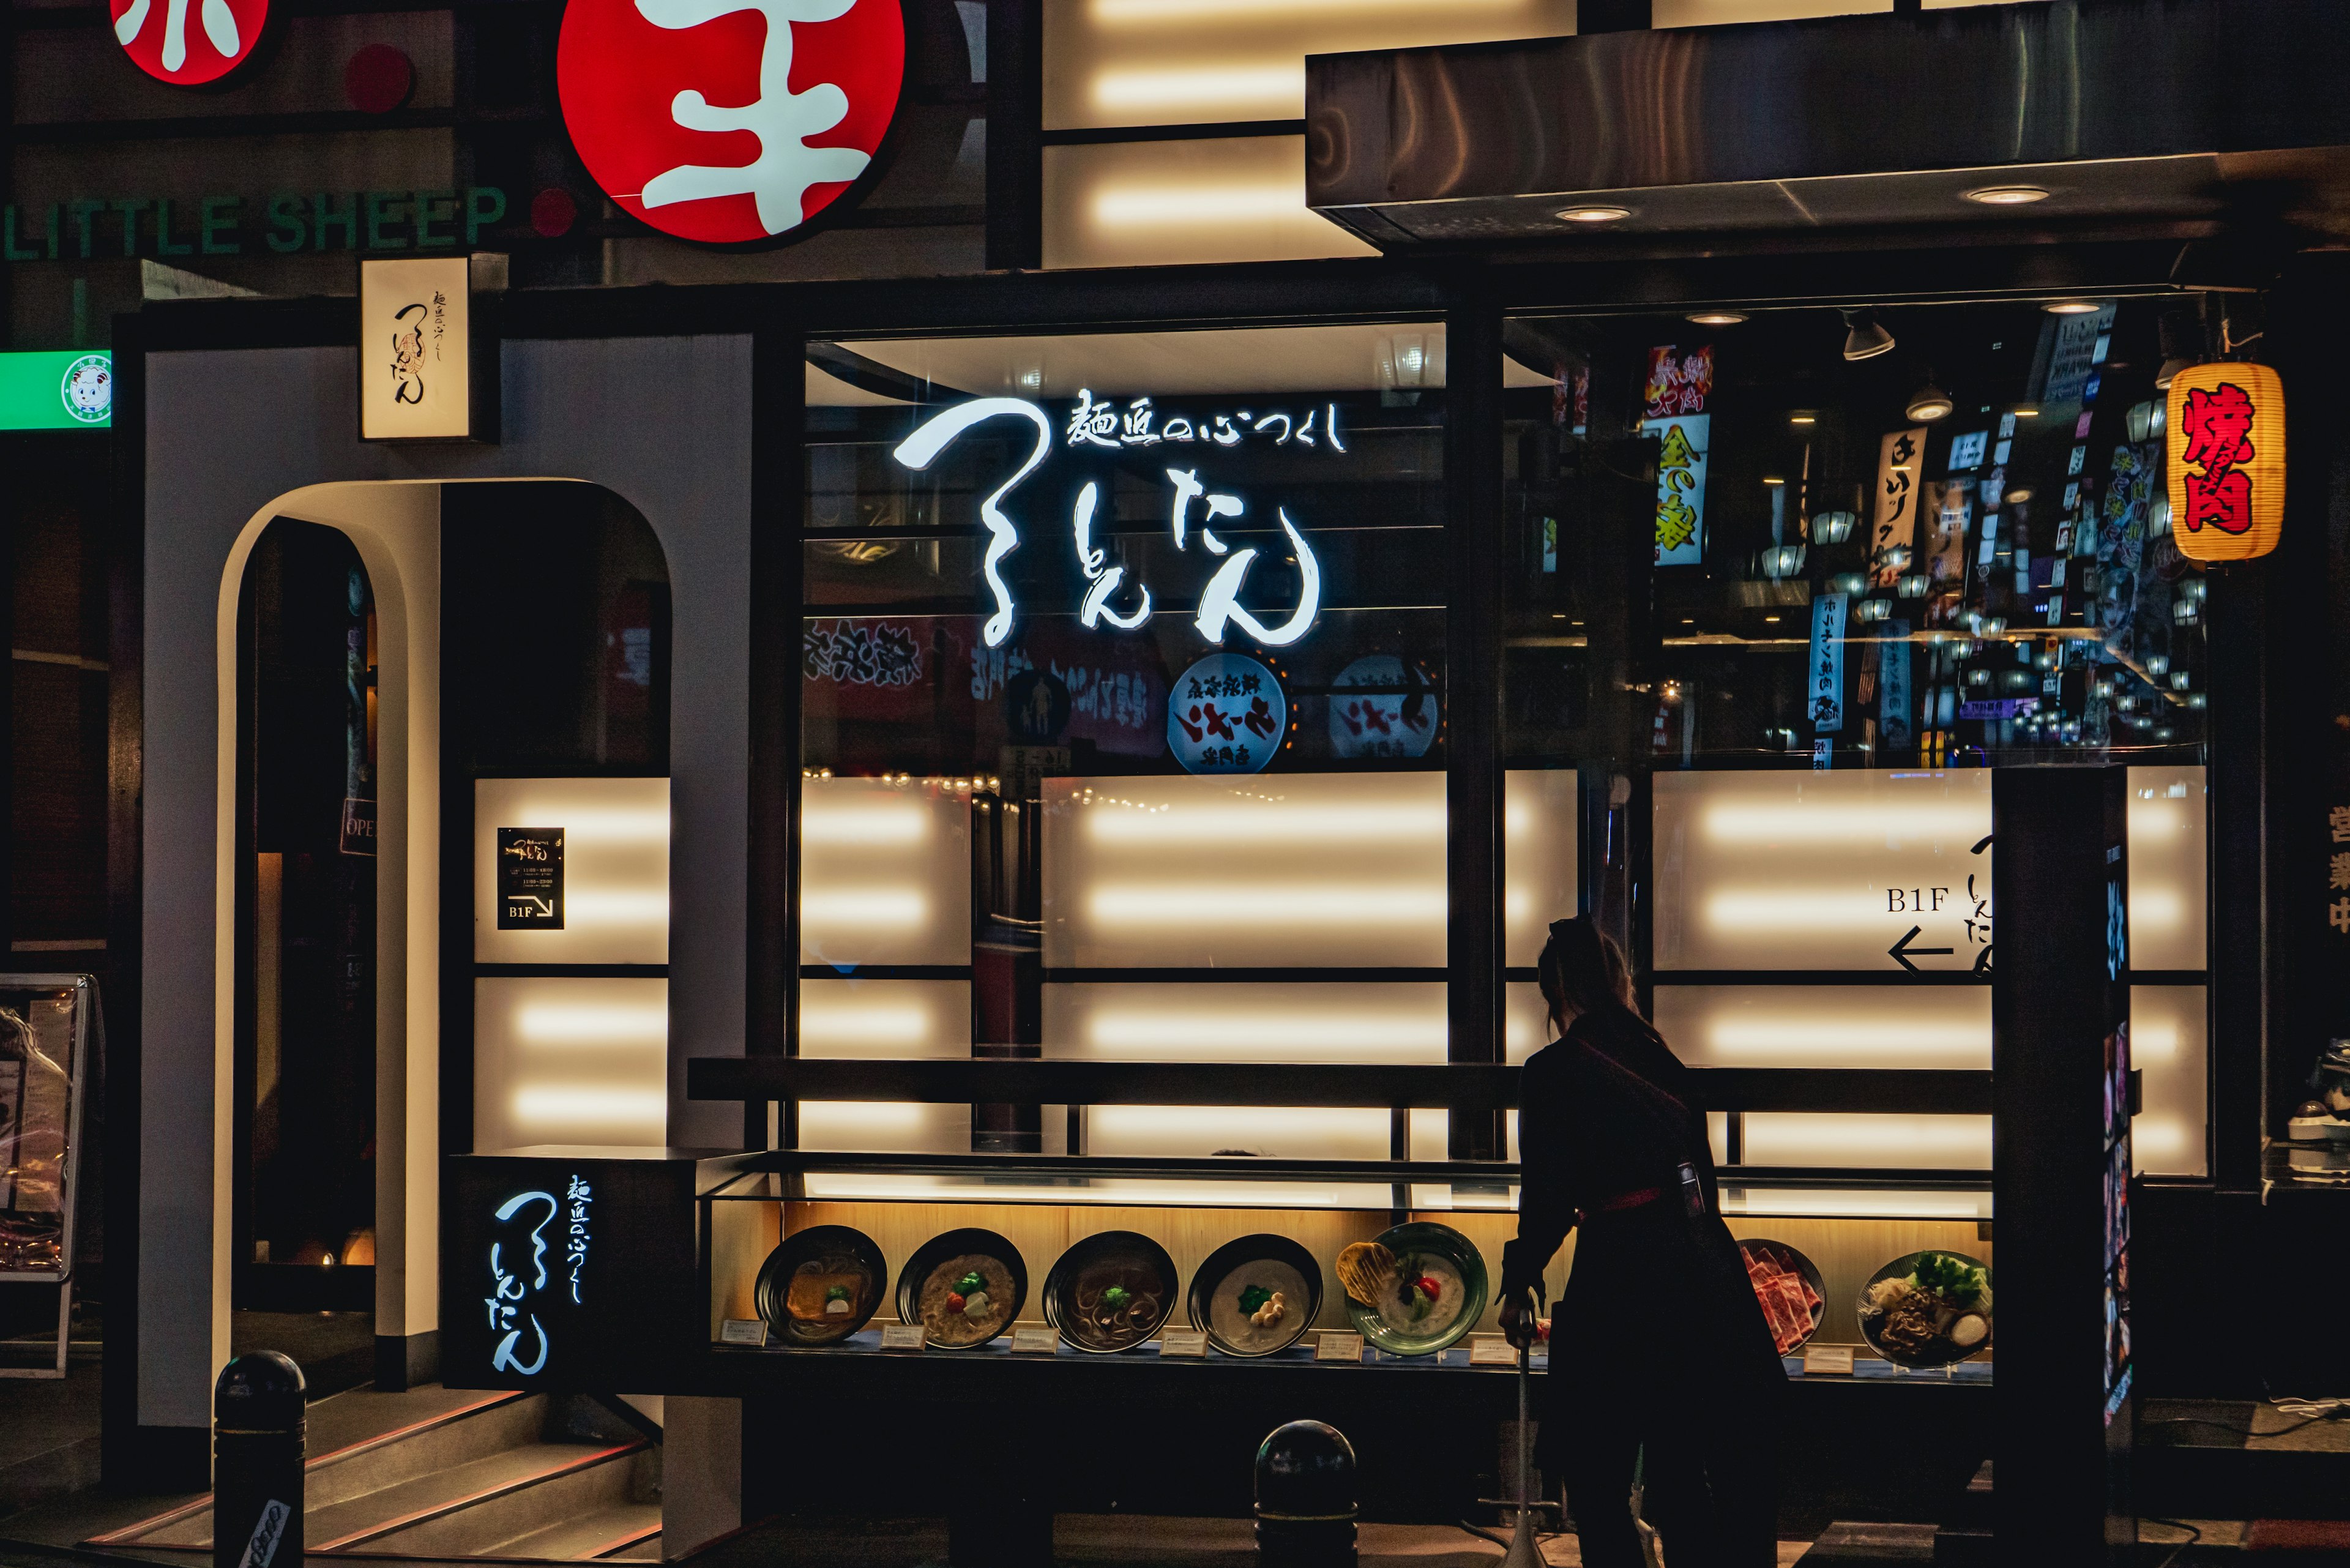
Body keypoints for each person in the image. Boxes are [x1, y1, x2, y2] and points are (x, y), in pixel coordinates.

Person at [1497, 916, 1786, 1567]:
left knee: (1595, 1470)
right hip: (1699, 1276)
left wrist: (1520, 1283)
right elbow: (1703, 1183)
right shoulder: (1663, 1059)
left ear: (1556, 994)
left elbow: (1546, 1196)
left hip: (1620, 1277)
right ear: (1620, 981)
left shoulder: (1553, 1069)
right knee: (1681, 1466)